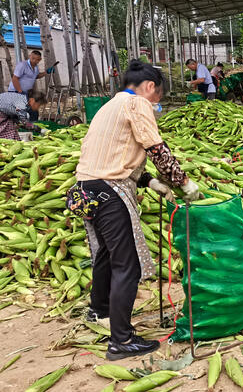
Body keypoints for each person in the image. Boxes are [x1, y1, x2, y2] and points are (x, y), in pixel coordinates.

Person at [70, 60, 203, 361]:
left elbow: (116, 152)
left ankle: (98, 311)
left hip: (86, 190)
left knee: (105, 254)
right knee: (126, 266)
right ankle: (121, 341)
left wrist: (148, 180)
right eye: (159, 97)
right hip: (109, 193)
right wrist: (183, 182)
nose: (157, 104)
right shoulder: (137, 104)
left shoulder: (109, 106)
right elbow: (156, 149)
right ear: (150, 87)